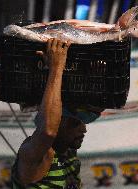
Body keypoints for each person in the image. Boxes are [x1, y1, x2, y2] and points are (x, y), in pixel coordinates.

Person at [11, 38, 103, 189]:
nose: (84, 129)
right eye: (75, 123)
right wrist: (56, 67)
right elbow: (47, 131)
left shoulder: (67, 154)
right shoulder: (33, 155)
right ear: (57, 121)